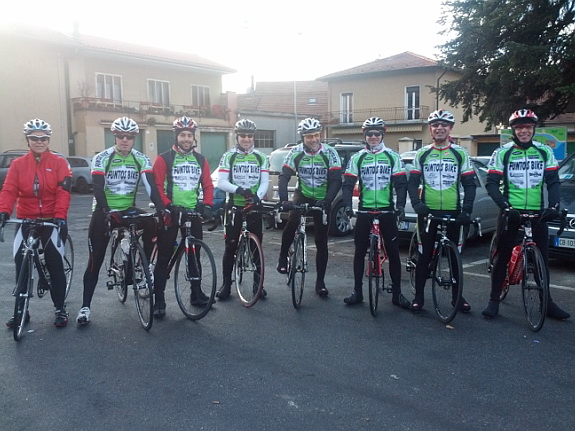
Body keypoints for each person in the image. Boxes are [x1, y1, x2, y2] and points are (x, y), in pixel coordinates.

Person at [482, 109, 570, 320]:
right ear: (513, 130)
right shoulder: (502, 153)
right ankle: (493, 300)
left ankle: (547, 303)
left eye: (528, 127)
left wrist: (553, 206)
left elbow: (553, 181)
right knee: (503, 257)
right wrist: (505, 207)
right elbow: (491, 183)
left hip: (537, 213)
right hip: (511, 213)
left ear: (533, 129)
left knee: (542, 261)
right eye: (519, 127)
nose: (524, 131)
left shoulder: (544, 151)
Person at [77, 117, 164, 324]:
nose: (125, 140)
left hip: (128, 208)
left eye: (129, 137)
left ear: (134, 138)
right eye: (121, 136)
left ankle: (145, 267)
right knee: (95, 260)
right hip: (104, 210)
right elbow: (98, 188)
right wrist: (107, 210)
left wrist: (161, 208)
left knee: (153, 223)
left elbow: (150, 186)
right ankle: (85, 307)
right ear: (114, 136)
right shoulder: (102, 158)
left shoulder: (141, 158)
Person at [0, 119, 72, 327]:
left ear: (48, 140)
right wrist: (4, 211)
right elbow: (9, 190)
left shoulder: (59, 163)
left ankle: (60, 308)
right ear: (28, 140)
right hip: (26, 218)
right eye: (34, 138)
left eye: (43, 138)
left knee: (54, 263)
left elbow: (63, 191)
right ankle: (21, 310)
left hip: (51, 219)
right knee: (20, 263)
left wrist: (60, 216)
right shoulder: (18, 164)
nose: (39, 142)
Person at [407, 109, 477, 312]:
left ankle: (457, 297)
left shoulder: (459, 153)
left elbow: (470, 185)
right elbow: (412, 183)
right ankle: (419, 297)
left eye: (444, 125)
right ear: (430, 129)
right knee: (424, 255)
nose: (439, 128)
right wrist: (417, 204)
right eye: (435, 125)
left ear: (450, 128)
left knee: (455, 257)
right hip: (428, 213)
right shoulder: (422, 153)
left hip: (453, 211)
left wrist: (467, 211)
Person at [341, 117, 410, 309]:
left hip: (387, 211)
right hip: (365, 210)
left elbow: (401, 184)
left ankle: (397, 294)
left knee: (394, 252)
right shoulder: (358, 157)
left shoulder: (392, 156)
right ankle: (357, 292)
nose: (373, 137)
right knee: (359, 251)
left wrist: (400, 206)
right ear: (365, 135)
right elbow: (347, 185)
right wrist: (348, 206)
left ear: (382, 135)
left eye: (376, 133)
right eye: (369, 134)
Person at [152, 116, 214, 316]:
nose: (186, 139)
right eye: (182, 135)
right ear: (176, 137)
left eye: (189, 135)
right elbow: (157, 187)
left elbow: (208, 185)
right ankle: (159, 300)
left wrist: (208, 204)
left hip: (191, 212)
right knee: (164, 256)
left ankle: (196, 294)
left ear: (194, 137)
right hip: (171, 213)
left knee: (194, 254)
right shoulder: (164, 158)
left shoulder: (201, 160)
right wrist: (168, 205)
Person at [276, 118, 342, 298]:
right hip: (303, 193)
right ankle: (282, 257)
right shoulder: (296, 152)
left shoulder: (330, 153)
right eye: (309, 136)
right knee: (292, 220)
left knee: (321, 240)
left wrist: (328, 200)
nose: (313, 139)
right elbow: (284, 176)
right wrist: (284, 200)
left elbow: (336, 180)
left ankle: (320, 282)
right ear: (302, 138)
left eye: (316, 135)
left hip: (323, 196)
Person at [216, 119, 269, 300]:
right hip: (234, 206)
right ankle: (226, 284)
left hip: (254, 205)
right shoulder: (229, 156)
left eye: (250, 136)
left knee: (257, 247)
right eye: (243, 136)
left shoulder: (261, 157)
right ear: (237, 137)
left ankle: (258, 285)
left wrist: (257, 196)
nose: (247, 139)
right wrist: (239, 190)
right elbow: (221, 182)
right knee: (230, 246)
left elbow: (265, 182)